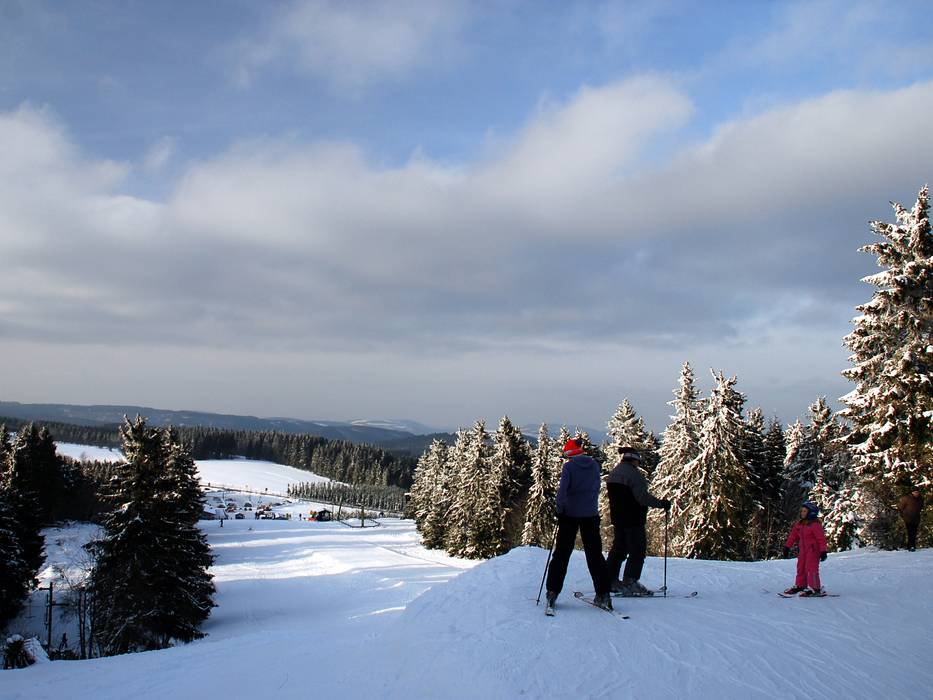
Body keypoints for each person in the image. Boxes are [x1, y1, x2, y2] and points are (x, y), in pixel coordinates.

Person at [545, 438, 613, 610]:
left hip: (570, 514)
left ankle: (552, 591)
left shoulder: (568, 467)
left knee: (561, 554)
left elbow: (562, 491)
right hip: (590, 514)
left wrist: (559, 508)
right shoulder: (594, 465)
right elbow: (596, 488)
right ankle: (603, 594)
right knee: (595, 555)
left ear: (569, 454)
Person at [606, 447, 671, 596]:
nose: (639, 464)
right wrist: (661, 504)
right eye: (638, 461)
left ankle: (609, 580)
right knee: (637, 551)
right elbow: (642, 498)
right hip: (634, 519)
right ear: (634, 460)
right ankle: (630, 581)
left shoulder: (614, 473)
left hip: (618, 518)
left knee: (618, 550)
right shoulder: (634, 475)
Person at [782, 501, 828, 596]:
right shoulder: (800, 524)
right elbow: (793, 536)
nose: (802, 513)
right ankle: (801, 585)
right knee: (801, 567)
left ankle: (815, 588)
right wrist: (787, 547)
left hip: (813, 550)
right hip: (803, 550)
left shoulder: (815, 525)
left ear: (811, 513)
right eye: (801, 511)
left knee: (811, 568)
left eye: (804, 511)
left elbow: (821, 539)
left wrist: (823, 551)